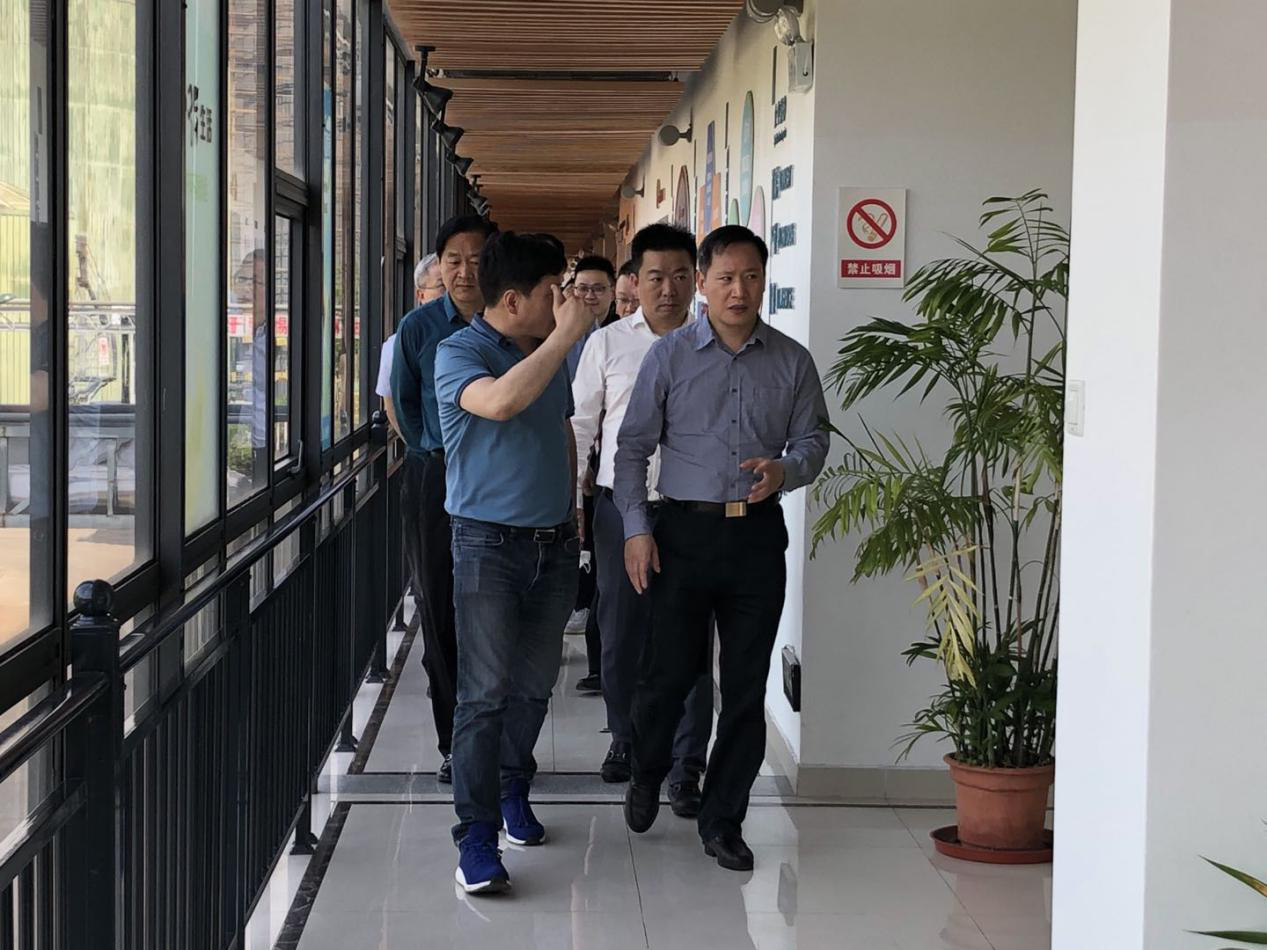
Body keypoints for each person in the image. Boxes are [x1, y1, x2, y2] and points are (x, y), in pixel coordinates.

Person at [614, 225, 830, 872]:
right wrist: (635, 529)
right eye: (727, 278)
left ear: (765, 281)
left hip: (756, 538)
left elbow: (813, 441)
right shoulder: (669, 356)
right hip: (682, 535)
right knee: (669, 675)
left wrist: (785, 471)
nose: (740, 290)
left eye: (752, 277)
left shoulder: (791, 361)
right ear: (703, 283)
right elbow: (631, 449)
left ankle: (722, 820)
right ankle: (647, 768)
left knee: (743, 687)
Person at [434, 231, 594, 894]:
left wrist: (574, 510)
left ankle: (511, 788)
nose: (565, 302)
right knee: (483, 694)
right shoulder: (458, 352)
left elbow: (560, 427)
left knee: (533, 687)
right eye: (554, 291)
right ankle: (474, 836)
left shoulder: (548, 351)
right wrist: (565, 338)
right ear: (511, 300)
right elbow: (499, 403)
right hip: (486, 546)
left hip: (553, 543)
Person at [572, 224, 713, 813]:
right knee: (622, 629)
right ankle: (626, 739)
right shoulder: (607, 344)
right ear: (635, 280)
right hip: (619, 506)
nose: (668, 289)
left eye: (681, 276)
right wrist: (572, 501)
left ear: (696, 280)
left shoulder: (714, 342)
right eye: (656, 277)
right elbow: (581, 424)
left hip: (692, 511)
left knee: (692, 637)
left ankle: (686, 765)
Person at [390, 216, 497, 785]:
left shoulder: (514, 320)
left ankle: (500, 740)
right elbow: (404, 404)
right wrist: (434, 451)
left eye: (476, 258)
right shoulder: (418, 327)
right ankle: (455, 742)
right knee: (440, 607)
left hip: (499, 481)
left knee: (498, 609)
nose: (464, 270)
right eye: (453, 259)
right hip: (435, 477)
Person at [562, 255, 618, 692]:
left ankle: (603, 665)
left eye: (599, 289)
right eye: (582, 288)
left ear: (613, 292)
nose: (590, 296)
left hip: (610, 471)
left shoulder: (622, 337)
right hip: (572, 462)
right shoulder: (559, 337)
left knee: (606, 570)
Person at [378, 253, 443, 437]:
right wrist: (419, 445)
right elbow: (391, 404)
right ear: (420, 295)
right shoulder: (396, 343)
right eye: (442, 286)